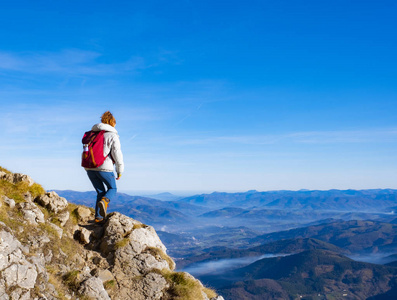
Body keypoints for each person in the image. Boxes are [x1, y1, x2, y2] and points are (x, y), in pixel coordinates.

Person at [84, 111, 124, 222]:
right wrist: (119, 170)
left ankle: (98, 218)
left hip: (89, 167)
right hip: (104, 167)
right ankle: (105, 201)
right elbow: (117, 153)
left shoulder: (92, 134)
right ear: (112, 122)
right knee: (112, 188)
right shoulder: (112, 135)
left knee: (100, 192)